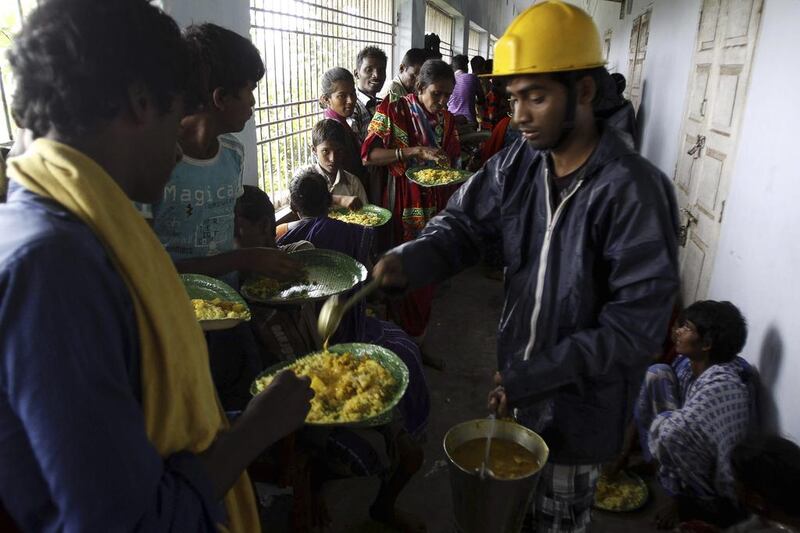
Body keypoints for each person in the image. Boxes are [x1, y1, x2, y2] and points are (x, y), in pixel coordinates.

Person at [0, 1, 313, 531]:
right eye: (176, 118)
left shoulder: (63, 227)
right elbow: (131, 520)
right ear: (142, 102)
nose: (178, 146)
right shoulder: (55, 268)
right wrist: (252, 432)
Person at [373, 3, 680, 532]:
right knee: (505, 512)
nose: (518, 116)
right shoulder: (520, 163)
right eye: (515, 98)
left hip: (579, 410)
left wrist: (538, 373)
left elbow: (636, 326)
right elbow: (465, 223)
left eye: (536, 97)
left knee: (555, 519)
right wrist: (410, 258)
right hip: (517, 385)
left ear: (583, 92)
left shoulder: (633, 191)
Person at [279, 169, 431, 531]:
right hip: (332, 352)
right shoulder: (350, 231)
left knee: (399, 351)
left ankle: (392, 436)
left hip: (340, 338)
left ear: (295, 206)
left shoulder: (287, 246)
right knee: (401, 348)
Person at [143, 23, 298, 285]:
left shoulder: (232, 153)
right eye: (249, 89)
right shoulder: (156, 159)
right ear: (221, 98)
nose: (252, 101)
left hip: (228, 302)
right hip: (176, 308)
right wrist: (245, 258)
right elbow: (146, 268)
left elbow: (230, 231)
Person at [362, 59, 461, 342]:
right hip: (403, 201)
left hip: (436, 202)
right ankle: (399, 337)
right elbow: (369, 155)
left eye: (447, 96)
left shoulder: (447, 119)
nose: (442, 102)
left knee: (426, 269)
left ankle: (416, 338)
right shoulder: (393, 110)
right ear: (419, 87)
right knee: (400, 267)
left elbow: (452, 155)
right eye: (437, 94)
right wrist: (415, 151)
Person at [635, 301, 756, 529]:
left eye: (687, 328)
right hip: (694, 448)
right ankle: (659, 468)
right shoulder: (688, 364)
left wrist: (678, 501)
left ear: (707, 343)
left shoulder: (723, 385)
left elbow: (677, 435)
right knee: (657, 374)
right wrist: (623, 453)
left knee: (672, 434)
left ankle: (687, 500)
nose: (678, 331)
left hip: (717, 486)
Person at [299, 118, 368, 210]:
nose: (333, 159)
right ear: (314, 150)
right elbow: (295, 202)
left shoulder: (353, 183)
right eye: (325, 151)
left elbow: (366, 216)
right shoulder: (304, 176)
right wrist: (338, 200)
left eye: (339, 151)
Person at [318, 67, 367, 183]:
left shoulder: (344, 123)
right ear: (326, 99)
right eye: (342, 96)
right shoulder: (331, 132)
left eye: (352, 93)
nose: (350, 100)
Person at [351, 46, 388, 142]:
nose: (376, 75)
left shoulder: (384, 104)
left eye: (381, 70)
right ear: (356, 74)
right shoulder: (352, 108)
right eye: (369, 70)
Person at [447, 54, 485, 130]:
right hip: (469, 122)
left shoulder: (448, 79)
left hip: (451, 120)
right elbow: (482, 100)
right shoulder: (472, 78)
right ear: (466, 66)